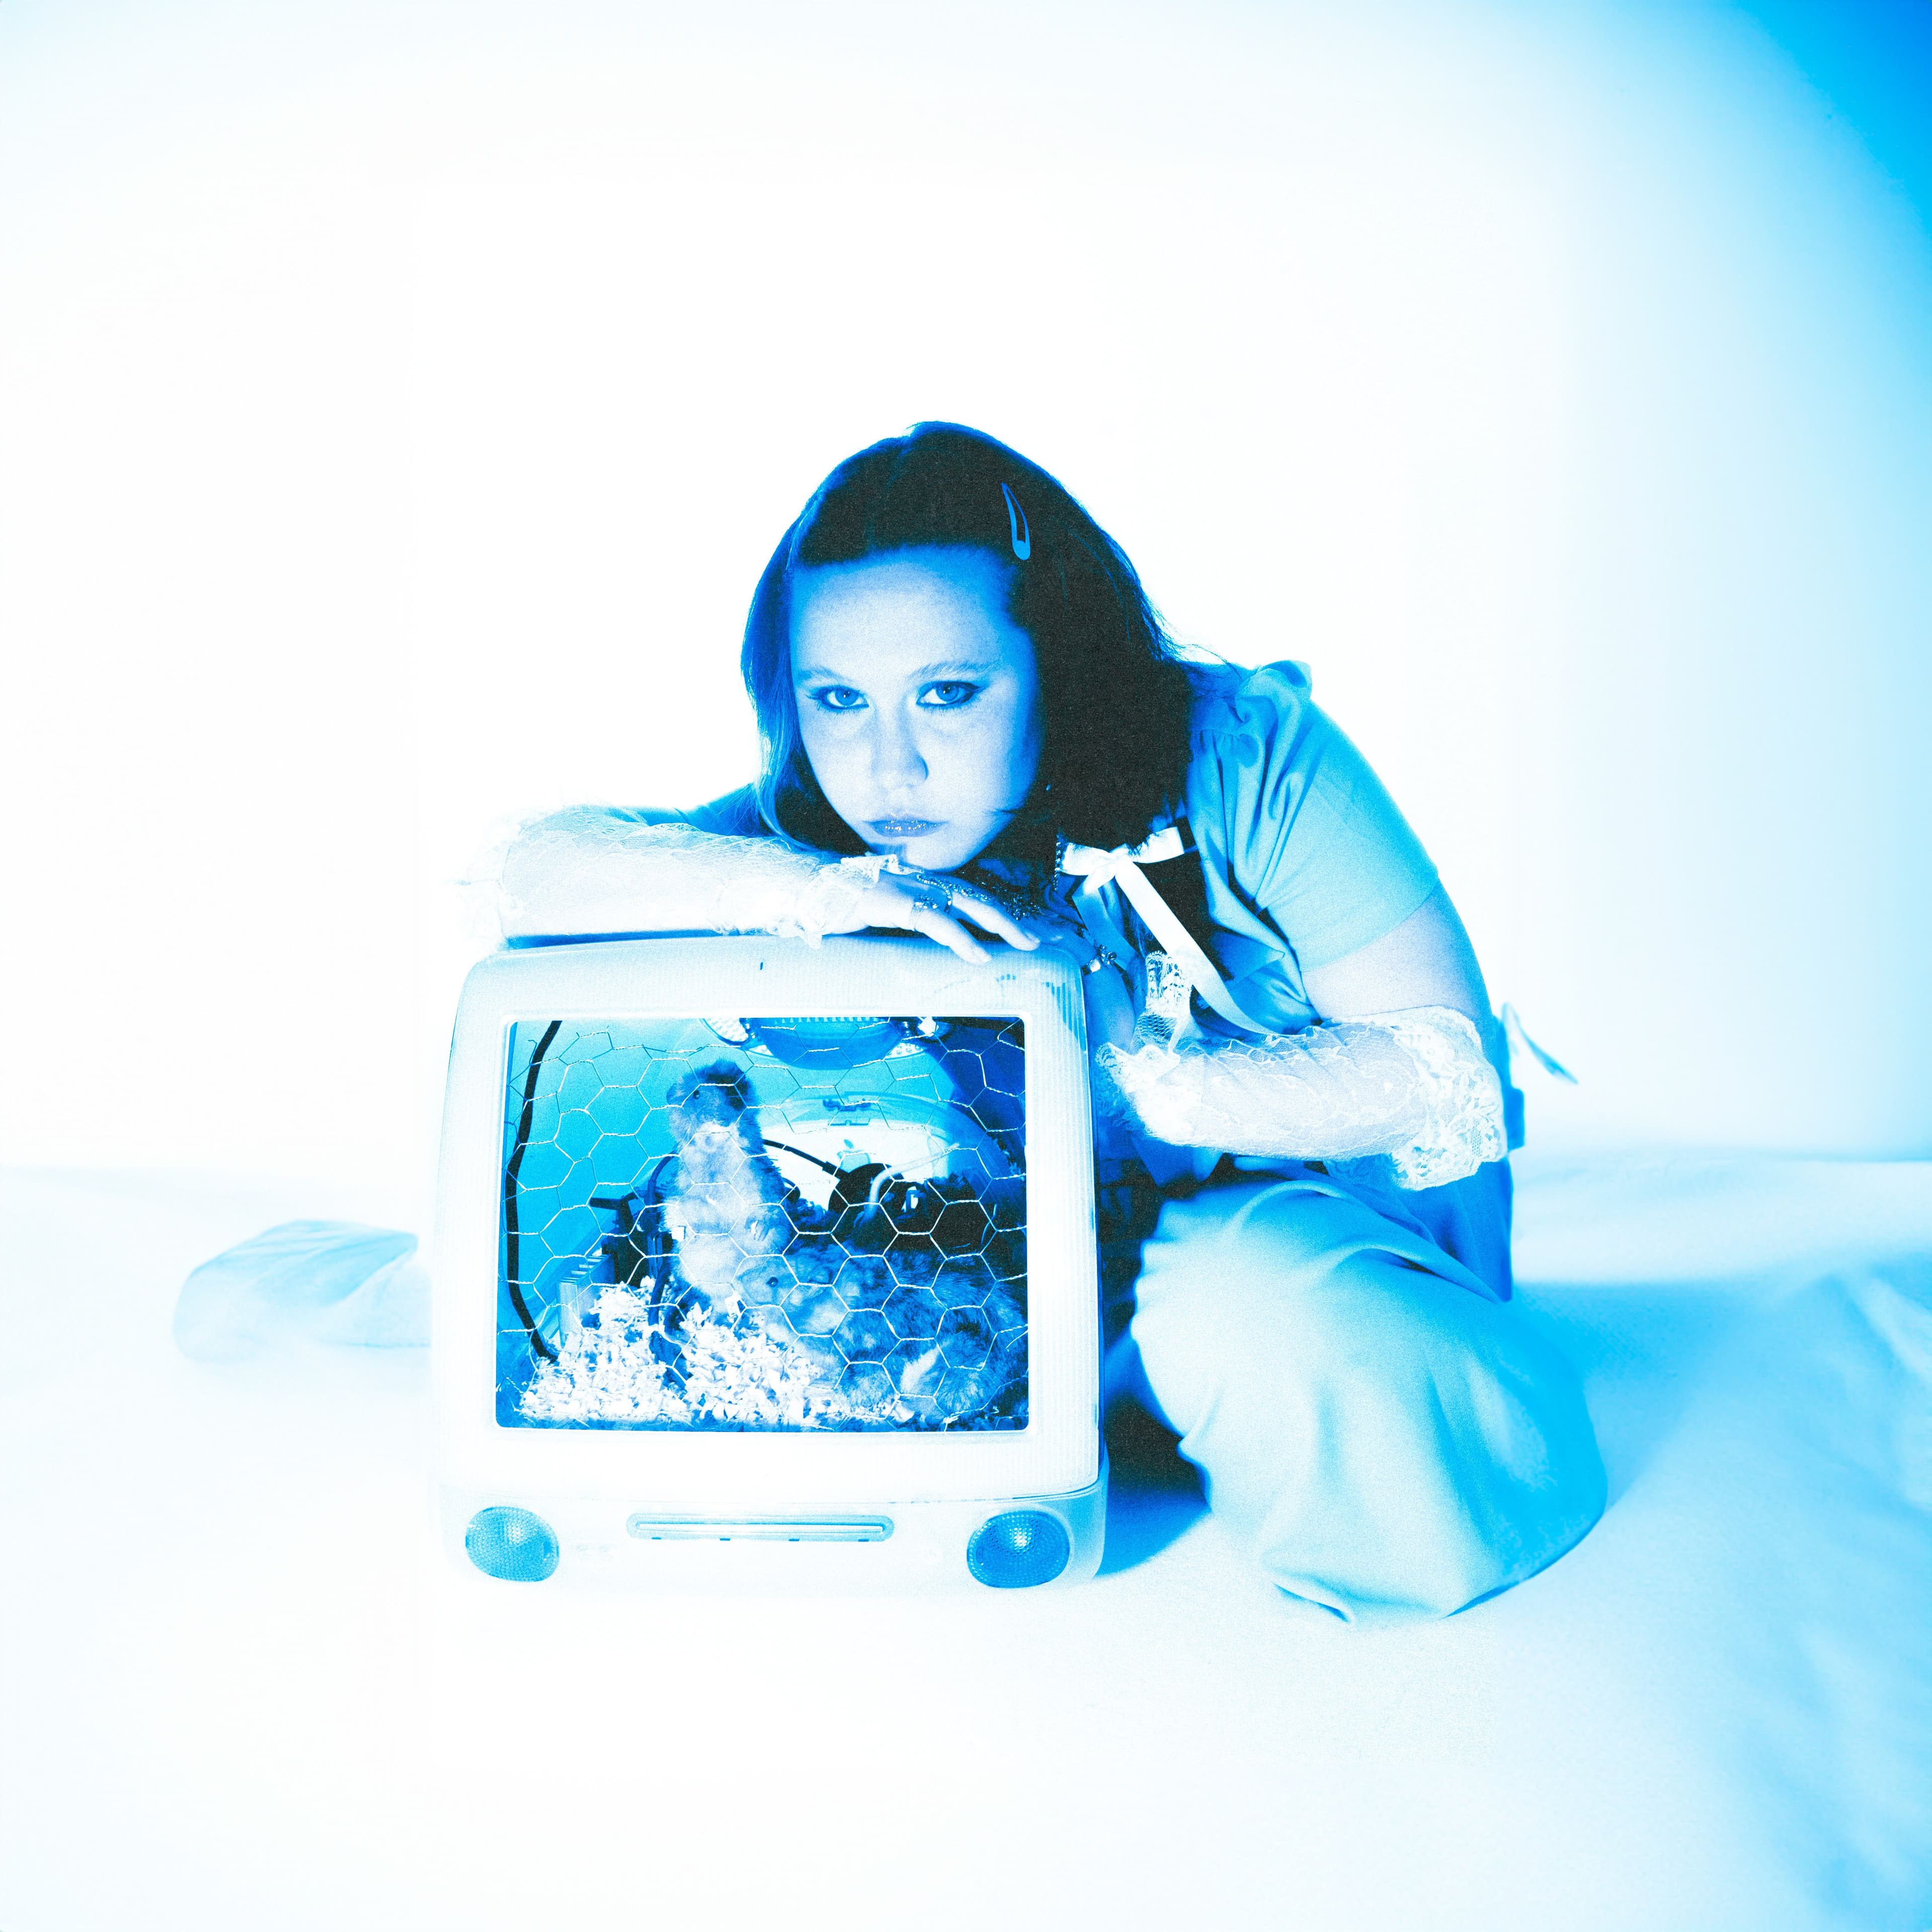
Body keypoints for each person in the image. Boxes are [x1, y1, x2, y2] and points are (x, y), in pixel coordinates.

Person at [498, 421, 1606, 1624]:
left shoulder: (1245, 759)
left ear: (1060, 663)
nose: (888, 769)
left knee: (1241, 1299)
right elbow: (526, 876)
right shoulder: (838, 838)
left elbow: (1444, 1074)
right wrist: (793, 890)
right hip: (1043, 1277)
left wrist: (1145, 1068)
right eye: (836, 701)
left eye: (949, 695)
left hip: (1323, 1256)